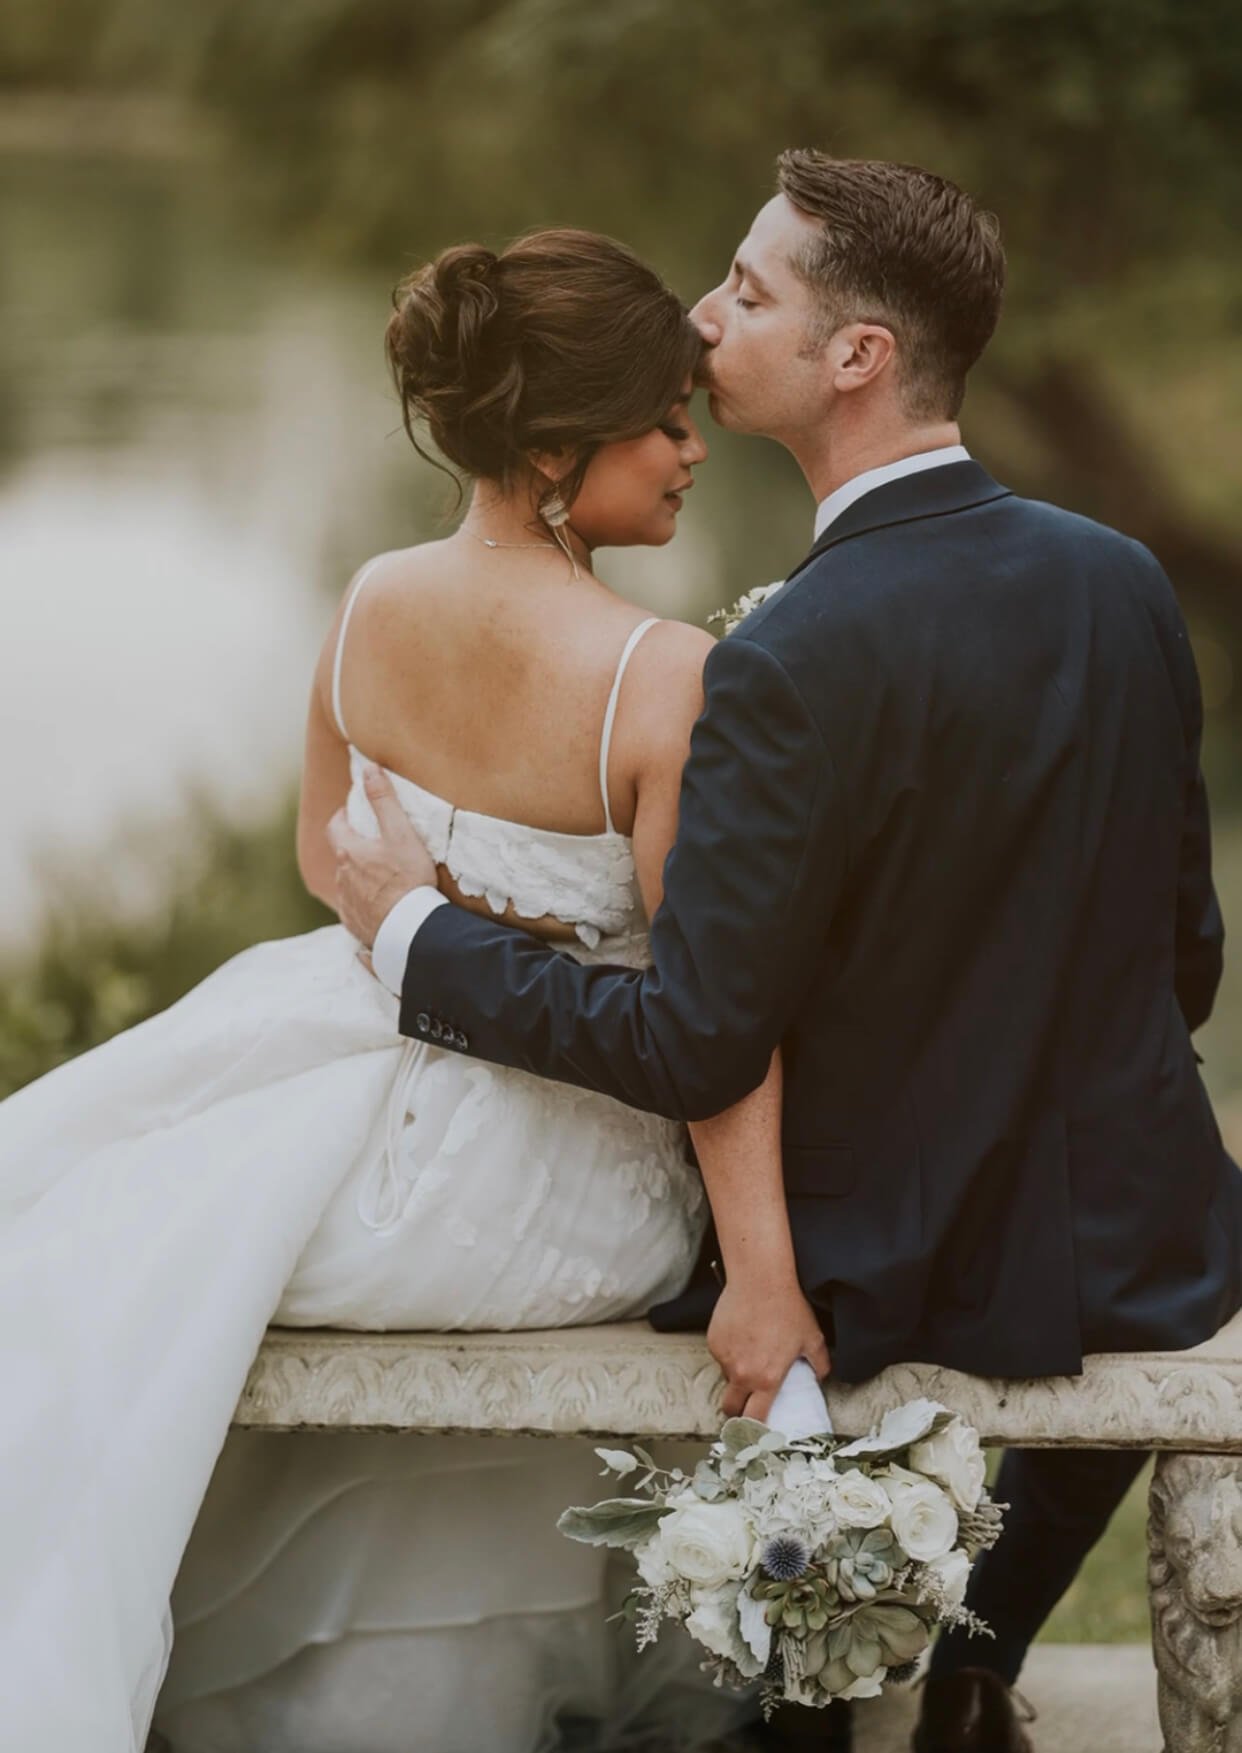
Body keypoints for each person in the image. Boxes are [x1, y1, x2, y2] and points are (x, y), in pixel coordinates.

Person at [333, 151, 1242, 1753]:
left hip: (868, 1254)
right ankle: (972, 1662)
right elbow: (1186, 959)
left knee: (733, 1303)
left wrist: (419, 935)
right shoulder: (1121, 586)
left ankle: (802, 1704)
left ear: (857, 359)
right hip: (1141, 1231)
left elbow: (695, 1040)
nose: (700, 315)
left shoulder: (779, 659)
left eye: (746, 291)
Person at [0, 229, 806, 1753]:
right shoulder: (656, 676)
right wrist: (760, 1275)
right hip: (559, 1161)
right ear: (562, 452)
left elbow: (328, 853)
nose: (692, 448)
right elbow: (718, 1017)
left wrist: (435, 922)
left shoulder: (373, 596)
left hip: (370, 1065)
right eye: (662, 419)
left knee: (101, 1208)